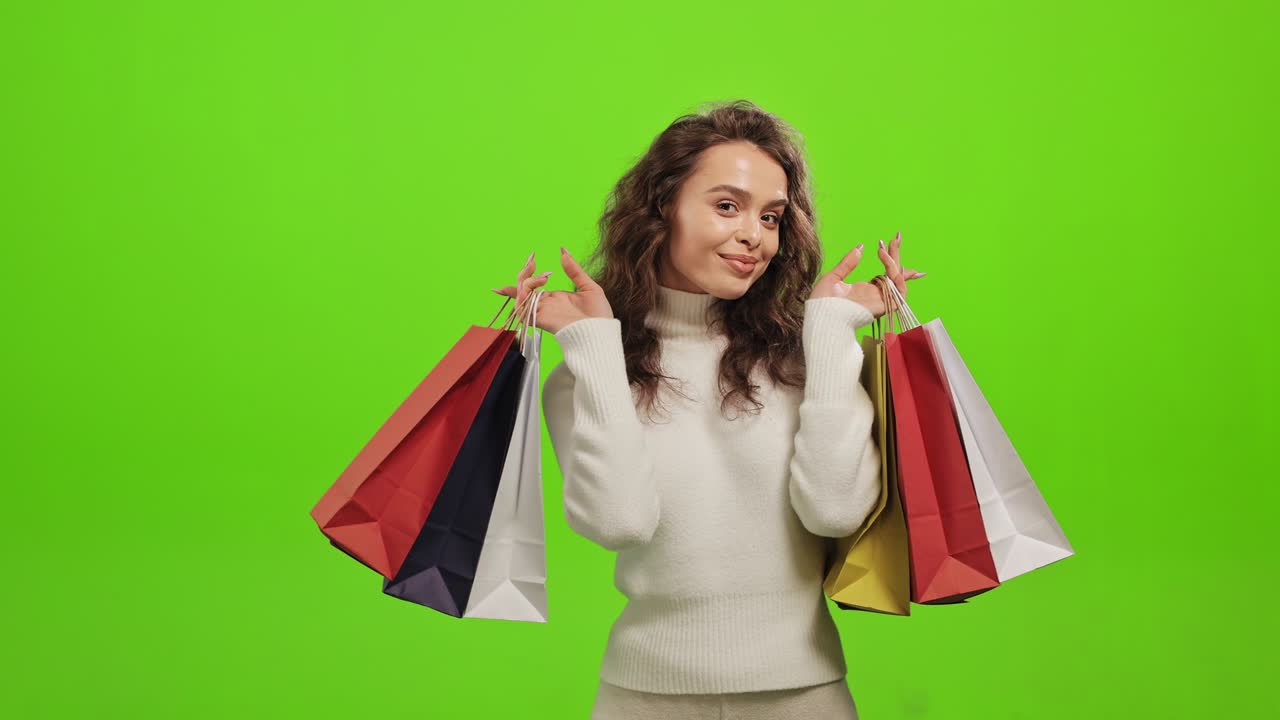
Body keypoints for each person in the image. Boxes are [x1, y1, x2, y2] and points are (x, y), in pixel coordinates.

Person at [492, 100, 923, 719]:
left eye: (771, 217)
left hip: (806, 698)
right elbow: (618, 522)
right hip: (642, 698)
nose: (754, 235)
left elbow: (835, 510)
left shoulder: (806, 359)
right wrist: (591, 345)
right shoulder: (591, 369)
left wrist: (830, 333)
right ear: (662, 207)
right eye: (727, 206)